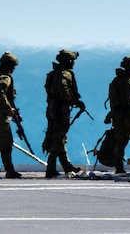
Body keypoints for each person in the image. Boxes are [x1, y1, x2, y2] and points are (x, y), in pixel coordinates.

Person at [42, 49, 86, 178]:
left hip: (51, 108)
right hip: (60, 110)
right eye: (72, 61)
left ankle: (66, 166)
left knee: (59, 136)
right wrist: (74, 101)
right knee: (59, 137)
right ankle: (51, 167)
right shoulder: (65, 74)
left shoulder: (52, 74)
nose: (74, 64)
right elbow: (63, 90)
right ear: (68, 61)